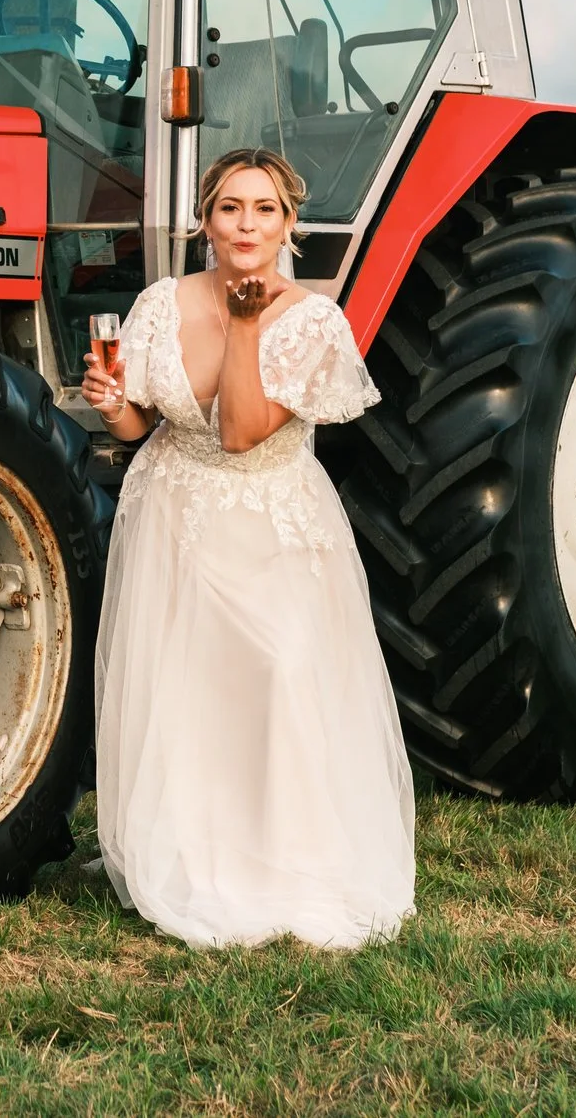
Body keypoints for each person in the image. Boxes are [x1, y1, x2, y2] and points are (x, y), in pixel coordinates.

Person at [80, 146, 415, 948]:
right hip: (169, 512)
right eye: (231, 206)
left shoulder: (310, 322)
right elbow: (144, 427)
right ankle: (190, 846)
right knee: (181, 680)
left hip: (268, 519)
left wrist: (241, 322)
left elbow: (236, 433)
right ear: (205, 218)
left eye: (264, 209)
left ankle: (286, 857)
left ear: (290, 223)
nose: (246, 223)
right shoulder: (159, 301)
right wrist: (110, 404)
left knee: (278, 669)